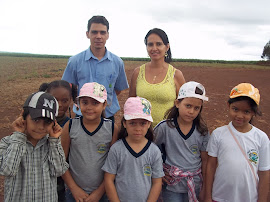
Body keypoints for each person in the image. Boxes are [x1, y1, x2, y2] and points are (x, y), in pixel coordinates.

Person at [205, 83, 270, 202]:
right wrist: (208, 196)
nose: (240, 115)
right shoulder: (218, 134)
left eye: (246, 112)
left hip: (249, 197)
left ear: (254, 112)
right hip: (220, 196)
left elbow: (264, 173)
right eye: (235, 109)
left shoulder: (261, 138)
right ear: (228, 106)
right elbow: (211, 166)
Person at [0, 92, 69, 201]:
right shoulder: (9, 142)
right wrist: (19, 136)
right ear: (23, 115)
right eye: (36, 120)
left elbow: (58, 171)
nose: (41, 127)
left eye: (47, 122)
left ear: (54, 123)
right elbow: (8, 170)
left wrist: (54, 141)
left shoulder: (52, 144)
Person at [62, 15, 129, 121]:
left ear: (107, 35)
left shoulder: (117, 62)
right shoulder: (75, 61)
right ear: (87, 34)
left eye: (102, 32)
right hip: (82, 115)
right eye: (94, 32)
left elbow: (117, 89)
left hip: (107, 115)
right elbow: (66, 87)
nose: (98, 36)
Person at [61, 82, 118, 202]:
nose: (89, 107)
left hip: (103, 193)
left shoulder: (112, 129)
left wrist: (99, 192)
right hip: (74, 193)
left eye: (95, 103)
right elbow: (61, 161)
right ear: (78, 104)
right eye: (85, 102)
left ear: (104, 105)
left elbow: (113, 166)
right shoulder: (70, 126)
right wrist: (74, 188)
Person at [154, 81, 209, 202]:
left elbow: (205, 160)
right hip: (172, 185)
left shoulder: (202, 131)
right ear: (177, 103)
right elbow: (150, 150)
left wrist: (205, 187)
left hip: (195, 184)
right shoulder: (164, 128)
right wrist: (159, 170)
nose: (191, 111)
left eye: (196, 108)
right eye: (188, 106)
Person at [102, 96, 165, 202]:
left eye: (143, 123)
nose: (138, 128)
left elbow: (157, 182)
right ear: (124, 123)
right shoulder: (116, 149)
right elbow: (108, 179)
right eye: (132, 123)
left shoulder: (154, 151)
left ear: (149, 124)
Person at [129, 28, 185, 127]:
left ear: (167, 47)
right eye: (150, 44)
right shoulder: (137, 73)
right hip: (142, 133)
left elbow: (183, 105)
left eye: (159, 44)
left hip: (168, 131)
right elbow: (131, 104)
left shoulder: (176, 74)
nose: (154, 48)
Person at [39, 80, 77, 202]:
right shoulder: (37, 125)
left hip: (64, 181)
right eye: (54, 100)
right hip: (41, 179)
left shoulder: (73, 126)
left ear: (71, 100)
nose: (59, 105)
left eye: (64, 101)